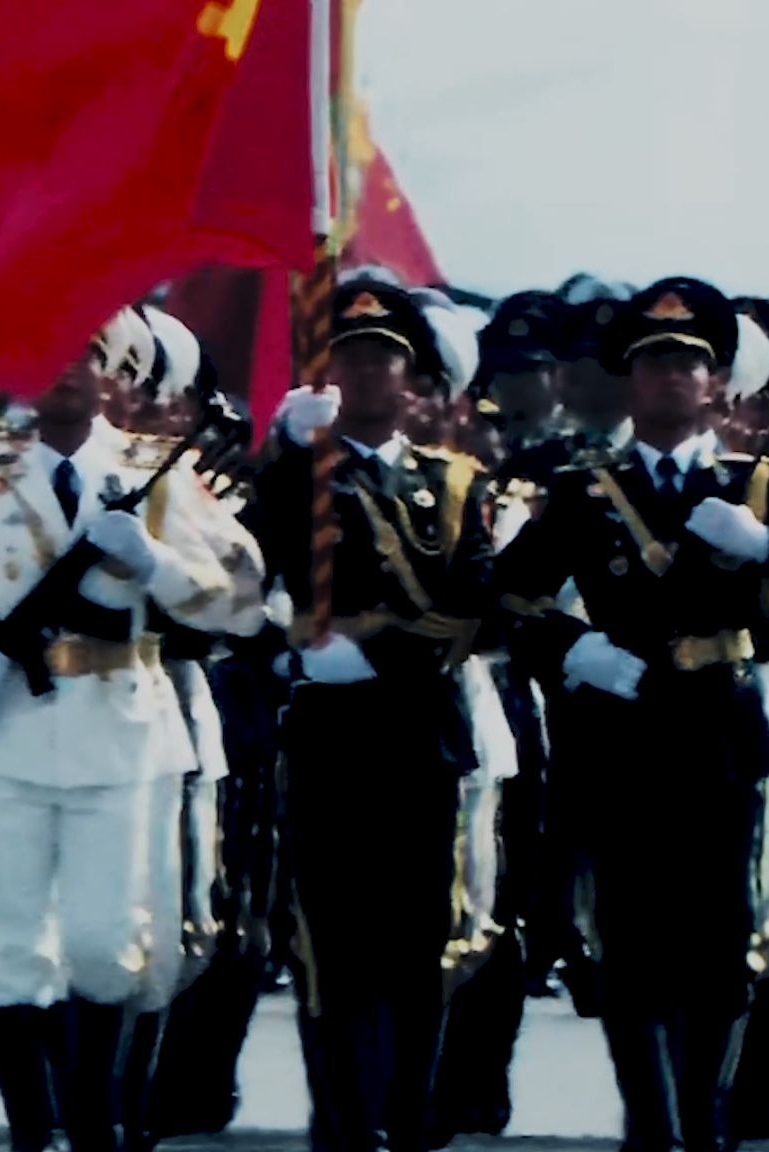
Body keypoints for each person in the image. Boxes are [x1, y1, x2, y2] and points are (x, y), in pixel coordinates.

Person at [0, 310, 266, 1152]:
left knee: (103, 945)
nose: (67, 372)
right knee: (14, 950)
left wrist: (154, 562)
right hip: (15, 729)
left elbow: (239, 596)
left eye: (89, 357)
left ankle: (92, 1126)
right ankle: (34, 1135)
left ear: (116, 374)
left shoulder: (157, 475)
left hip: (124, 731)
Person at [492, 276, 769, 1152]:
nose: (670, 377)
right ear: (629, 381)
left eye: (688, 363)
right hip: (618, 729)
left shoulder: (755, 484)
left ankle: (704, 1117)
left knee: (719, 938)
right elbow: (507, 594)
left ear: (716, 384)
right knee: (629, 940)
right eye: (653, 362)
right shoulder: (586, 491)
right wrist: (570, 649)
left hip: (718, 728)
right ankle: (651, 1123)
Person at [246, 275, 504, 1152]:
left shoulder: (456, 483)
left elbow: (475, 605)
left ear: (412, 379)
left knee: (417, 935)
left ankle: (408, 1111)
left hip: (420, 731)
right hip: (330, 735)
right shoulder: (299, 472)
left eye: (383, 359)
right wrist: (289, 456)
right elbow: (253, 567)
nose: (365, 372)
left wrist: (380, 645)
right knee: (332, 936)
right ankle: (344, 1117)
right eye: (349, 356)